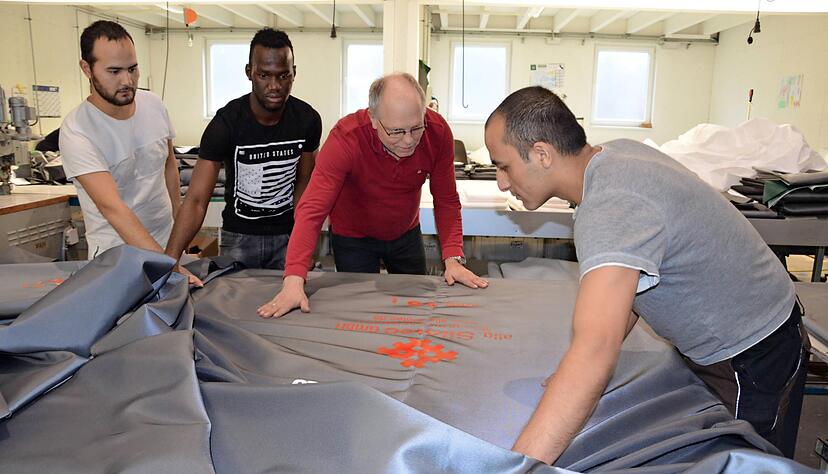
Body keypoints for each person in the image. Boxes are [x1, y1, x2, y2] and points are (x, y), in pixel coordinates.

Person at [484, 86, 809, 464]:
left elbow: (596, 350)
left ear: (541, 154)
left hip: (755, 353)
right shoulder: (615, 155)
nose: (501, 182)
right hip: (749, 330)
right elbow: (628, 292)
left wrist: (522, 466)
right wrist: (572, 369)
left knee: (749, 465)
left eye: (503, 165)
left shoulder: (611, 206)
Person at [257, 73, 488, 318]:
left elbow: (446, 200)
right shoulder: (346, 139)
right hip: (353, 238)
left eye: (416, 128)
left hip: (405, 234)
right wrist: (294, 280)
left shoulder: (438, 132)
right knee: (360, 312)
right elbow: (312, 209)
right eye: (397, 131)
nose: (408, 141)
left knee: (415, 312)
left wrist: (453, 258)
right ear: (373, 118)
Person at [165, 28, 321, 276]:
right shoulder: (226, 123)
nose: (274, 86)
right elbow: (195, 200)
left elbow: (304, 182)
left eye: (283, 76)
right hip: (238, 238)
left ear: (294, 74)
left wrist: (302, 240)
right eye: (264, 75)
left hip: (287, 236)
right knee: (232, 310)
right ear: (249, 72)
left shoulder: (307, 120)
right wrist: (170, 260)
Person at [60, 20, 180, 259]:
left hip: (167, 243)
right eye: (114, 71)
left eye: (132, 69)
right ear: (86, 68)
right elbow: (112, 208)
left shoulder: (154, 104)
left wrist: (179, 237)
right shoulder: (77, 130)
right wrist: (168, 266)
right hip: (116, 257)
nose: (127, 81)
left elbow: (169, 166)